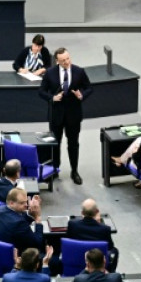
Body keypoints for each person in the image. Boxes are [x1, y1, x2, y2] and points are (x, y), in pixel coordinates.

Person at [39, 47, 92, 184]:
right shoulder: (50, 73)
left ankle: (74, 171)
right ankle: (55, 169)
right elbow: (41, 91)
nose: (67, 62)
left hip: (73, 114)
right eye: (63, 60)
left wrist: (82, 95)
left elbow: (89, 88)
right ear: (57, 61)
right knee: (56, 144)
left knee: (73, 144)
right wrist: (52, 98)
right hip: (56, 114)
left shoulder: (79, 71)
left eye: (68, 58)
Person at [68, 199, 119, 272]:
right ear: (97, 212)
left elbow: (69, 240)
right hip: (97, 263)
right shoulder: (105, 229)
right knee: (115, 250)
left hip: (77, 261)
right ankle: (110, 272)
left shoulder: (72, 225)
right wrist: (98, 223)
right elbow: (110, 246)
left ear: (82, 213)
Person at [0, 188, 44, 253]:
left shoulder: (0, 209)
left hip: (0, 252)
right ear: (11, 203)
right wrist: (37, 218)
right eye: (22, 203)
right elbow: (37, 243)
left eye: (26, 202)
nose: (26, 205)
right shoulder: (19, 224)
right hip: (18, 258)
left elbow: (18, 216)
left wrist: (30, 213)